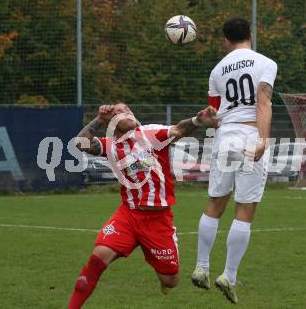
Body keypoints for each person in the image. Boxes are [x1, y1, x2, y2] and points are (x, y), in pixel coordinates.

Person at [68, 102, 216, 309]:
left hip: (158, 220)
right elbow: (79, 143)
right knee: (98, 258)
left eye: (127, 109)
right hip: (128, 216)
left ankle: (161, 259)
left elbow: (179, 129)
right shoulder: (111, 145)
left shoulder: (150, 133)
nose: (125, 112)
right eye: (118, 113)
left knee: (170, 281)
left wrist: (198, 121)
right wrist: (99, 119)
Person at [191, 17, 278, 304]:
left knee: (215, 203)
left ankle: (201, 268)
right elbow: (262, 102)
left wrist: (212, 121)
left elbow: (214, 116)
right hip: (250, 136)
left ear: (226, 41)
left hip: (224, 137)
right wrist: (263, 139)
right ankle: (228, 275)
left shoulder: (217, 70)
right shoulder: (265, 62)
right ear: (251, 34)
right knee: (245, 209)